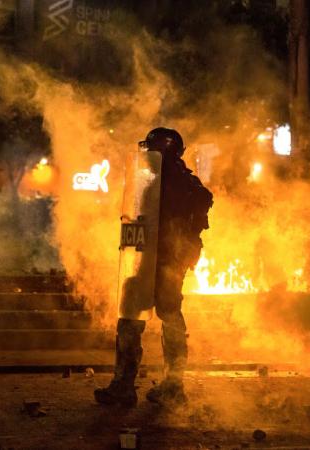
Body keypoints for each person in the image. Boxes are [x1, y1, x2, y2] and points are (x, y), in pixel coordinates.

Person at [94, 127, 213, 408]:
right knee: (168, 317)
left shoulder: (163, 180)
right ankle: (172, 386)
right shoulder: (182, 181)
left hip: (159, 259)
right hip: (163, 259)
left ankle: (128, 386)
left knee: (136, 319)